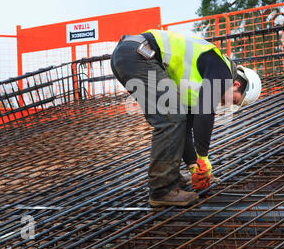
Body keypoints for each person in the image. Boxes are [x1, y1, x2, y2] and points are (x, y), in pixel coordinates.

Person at [110, 29, 261, 207]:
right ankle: (162, 190)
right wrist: (203, 158)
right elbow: (205, 113)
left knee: (175, 118)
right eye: (233, 99)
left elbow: (186, 126)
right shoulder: (222, 69)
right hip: (138, 54)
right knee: (170, 118)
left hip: (133, 55)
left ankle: (172, 181)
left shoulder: (196, 86)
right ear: (235, 84)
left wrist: (193, 166)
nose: (227, 104)